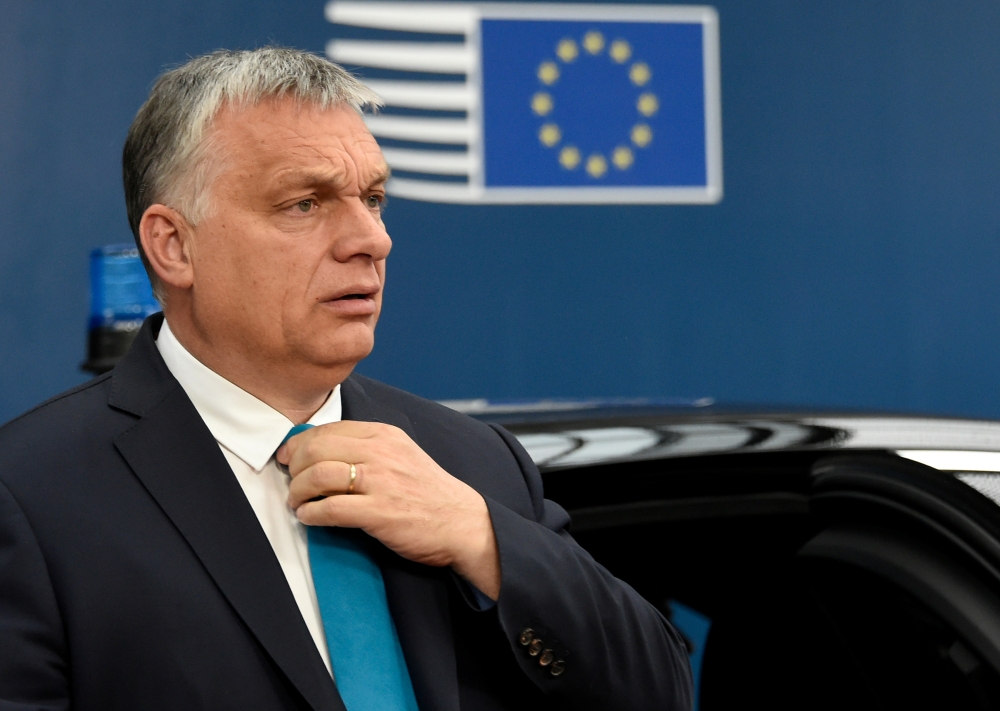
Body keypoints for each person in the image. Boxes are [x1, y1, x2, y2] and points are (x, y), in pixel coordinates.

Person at [0, 48, 691, 711]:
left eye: (374, 198)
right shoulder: (33, 495)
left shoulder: (473, 463)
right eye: (305, 203)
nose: (372, 239)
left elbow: (657, 690)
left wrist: (481, 536)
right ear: (174, 245)